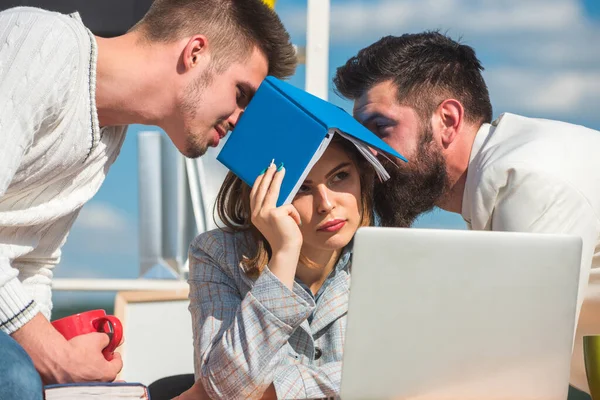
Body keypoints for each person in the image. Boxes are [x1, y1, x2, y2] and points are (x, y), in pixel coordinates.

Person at [0, 0, 296, 393]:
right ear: (194, 53)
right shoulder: (41, 41)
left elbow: (33, 261)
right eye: (242, 94)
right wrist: (51, 355)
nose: (240, 120)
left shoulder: (108, 133)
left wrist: (61, 369)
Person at [333, 31, 600, 393]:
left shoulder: (528, 179)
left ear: (447, 120)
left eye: (380, 128)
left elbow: (518, 370)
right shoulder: (505, 174)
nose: (369, 154)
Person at [177, 134, 377, 400]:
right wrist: (284, 253)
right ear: (262, 194)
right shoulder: (217, 253)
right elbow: (224, 392)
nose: (326, 204)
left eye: (340, 176)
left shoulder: (385, 259)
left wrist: (274, 392)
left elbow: (404, 373)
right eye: (302, 188)